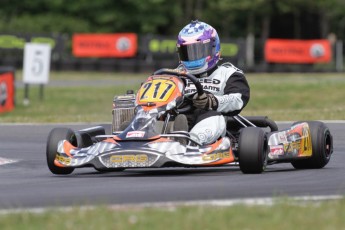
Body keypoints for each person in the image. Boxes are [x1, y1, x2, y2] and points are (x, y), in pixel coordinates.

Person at [175, 20, 250, 145]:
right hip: (177, 116)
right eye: (187, 52)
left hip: (207, 116)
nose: (193, 57)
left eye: (198, 51)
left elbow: (238, 100)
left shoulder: (228, 73)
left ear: (214, 49)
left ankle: (190, 142)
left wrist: (212, 101)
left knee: (214, 117)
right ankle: (151, 138)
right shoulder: (174, 75)